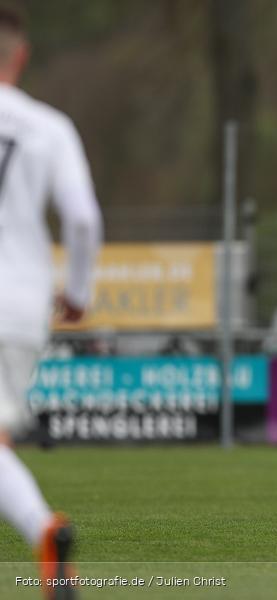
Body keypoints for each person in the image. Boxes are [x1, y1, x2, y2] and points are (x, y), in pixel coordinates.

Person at [0, 4, 102, 597]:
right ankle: (44, 533)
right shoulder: (49, 126)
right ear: (21, 55)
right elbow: (83, 220)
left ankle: (42, 527)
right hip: (19, 303)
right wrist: (80, 293)